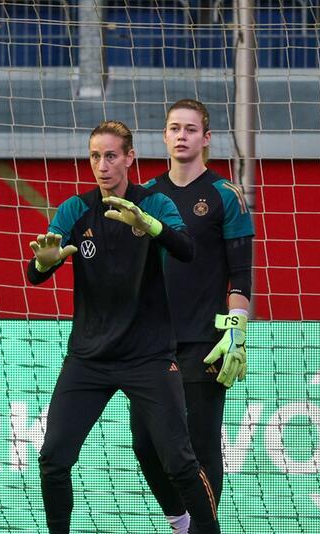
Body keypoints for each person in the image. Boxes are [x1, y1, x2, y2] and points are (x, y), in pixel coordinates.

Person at [27, 120, 221, 534]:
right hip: (89, 358)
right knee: (54, 458)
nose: (102, 165)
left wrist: (148, 225)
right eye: (95, 156)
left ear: (130, 157)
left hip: (148, 357)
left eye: (111, 155)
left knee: (179, 460)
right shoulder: (76, 209)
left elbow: (186, 248)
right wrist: (44, 261)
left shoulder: (155, 203)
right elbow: (37, 270)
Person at [131, 99, 255, 534]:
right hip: (150, 347)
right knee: (146, 445)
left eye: (190, 129)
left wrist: (236, 331)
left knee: (200, 449)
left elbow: (241, 278)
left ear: (206, 138)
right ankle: (182, 523)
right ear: (164, 136)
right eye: (173, 128)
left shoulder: (225, 196)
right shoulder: (144, 196)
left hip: (206, 341)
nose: (181, 135)